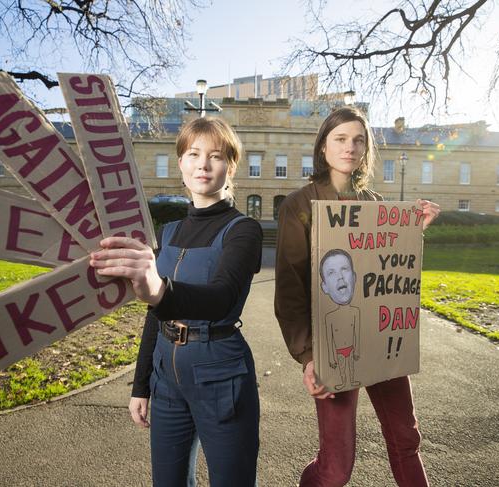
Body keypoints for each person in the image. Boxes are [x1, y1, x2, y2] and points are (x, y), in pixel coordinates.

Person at [90, 116, 262, 487]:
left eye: (215, 156)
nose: (203, 164)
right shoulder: (167, 233)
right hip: (166, 379)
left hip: (221, 374)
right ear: (181, 162)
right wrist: (141, 385)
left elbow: (221, 297)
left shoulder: (243, 230)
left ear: (230, 166)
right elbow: (156, 315)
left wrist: (159, 289)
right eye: (193, 153)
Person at [274, 106, 440, 487]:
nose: (350, 147)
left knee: (406, 440)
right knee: (336, 468)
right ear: (323, 147)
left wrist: (412, 234)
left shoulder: (376, 203)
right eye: (340, 139)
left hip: (381, 339)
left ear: (366, 149)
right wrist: (308, 355)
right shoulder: (299, 206)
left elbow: (391, 271)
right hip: (333, 344)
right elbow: (290, 291)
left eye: (358, 140)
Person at [319, 249, 361, 391]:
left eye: (344, 269)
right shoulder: (329, 317)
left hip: (351, 348)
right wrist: (331, 357)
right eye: (331, 273)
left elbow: (357, 333)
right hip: (339, 350)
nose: (340, 277)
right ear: (324, 287)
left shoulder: (356, 312)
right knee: (342, 369)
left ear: (354, 277)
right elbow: (329, 339)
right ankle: (343, 382)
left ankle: (353, 380)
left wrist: (357, 350)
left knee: (352, 367)